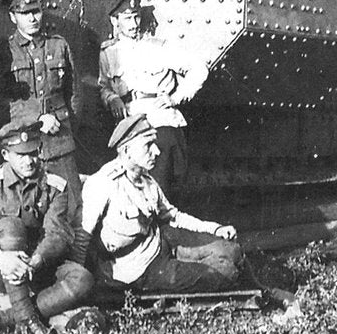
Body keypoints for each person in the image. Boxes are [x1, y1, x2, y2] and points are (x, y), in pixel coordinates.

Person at [76, 114, 242, 294]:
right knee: (226, 273)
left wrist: (215, 229)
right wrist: (76, 281)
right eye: (148, 145)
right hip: (136, 267)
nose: (156, 151)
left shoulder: (146, 178)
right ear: (126, 151)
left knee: (231, 250)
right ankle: (201, 268)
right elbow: (81, 237)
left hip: (159, 241)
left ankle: (198, 263)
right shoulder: (103, 183)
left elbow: (173, 216)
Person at [0, 122, 94, 334]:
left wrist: (37, 260)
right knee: (11, 226)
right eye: (20, 155)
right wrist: (1, 259)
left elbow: (57, 233)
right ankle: (31, 322)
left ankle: (3, 319)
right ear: (5, 154)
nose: (29, 160)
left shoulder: (55, 185)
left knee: (83, 279)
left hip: (33, 266)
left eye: (33, 152)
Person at [0, 0, 81, 217]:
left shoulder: (58, 45)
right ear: (13, 17)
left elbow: (73, 94)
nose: (33, 18)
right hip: (19, 141)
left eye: (36, 11)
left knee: (73, 207)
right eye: (25, 13)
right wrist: (37, 119)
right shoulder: (4, 50)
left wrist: (63, 124)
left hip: (58, 139)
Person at [98, 0, 208, 197]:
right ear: (115, 21)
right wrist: (112, 98)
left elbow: (199, 69)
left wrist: (176, 98)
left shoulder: (158, 48)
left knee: (159, 189)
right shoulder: (108, 53)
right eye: (127, 18)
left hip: (160, 124)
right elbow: (104, 85)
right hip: (129, 126)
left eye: (136, 16)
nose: (134, 23)